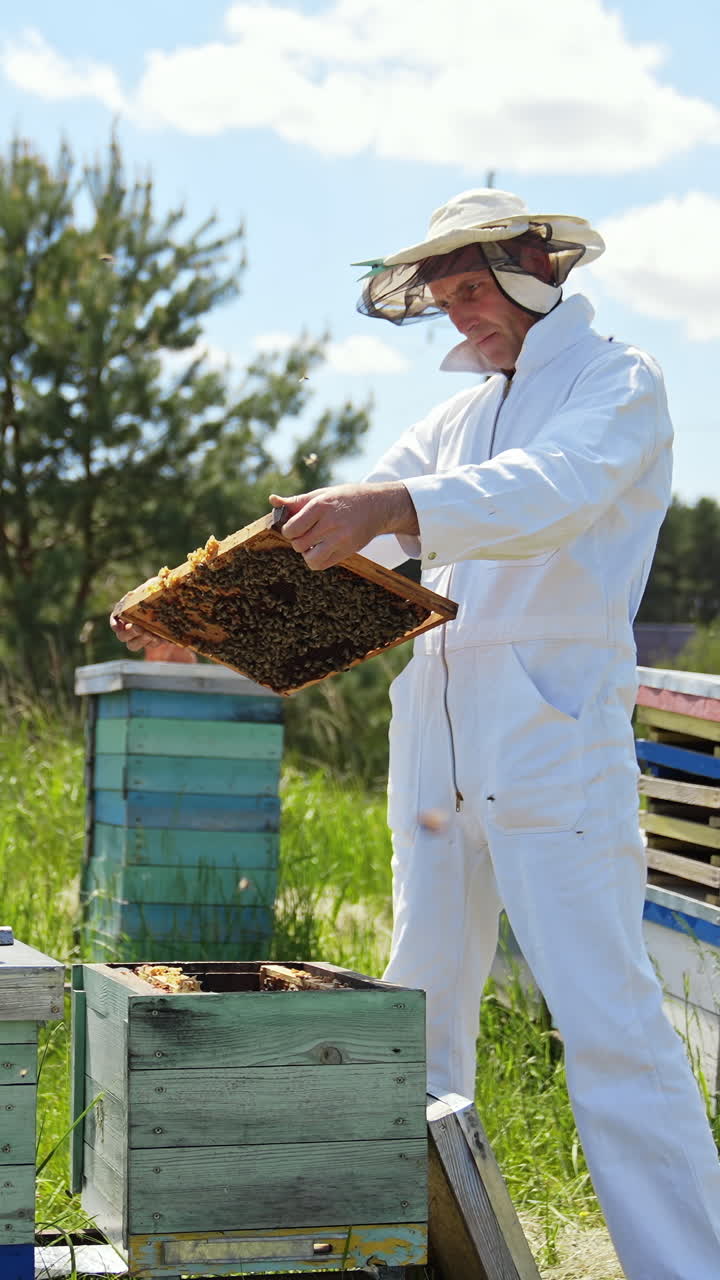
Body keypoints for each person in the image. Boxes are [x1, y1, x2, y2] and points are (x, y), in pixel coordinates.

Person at [112, 188, 720, 1279]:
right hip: (438, 741)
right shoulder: (455, 416)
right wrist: (198, 621)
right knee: (416, 1015)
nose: (458, 317)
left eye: (472, 291)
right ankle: (402, 1253)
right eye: (443, 301)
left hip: (553, 732)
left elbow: (551, 492)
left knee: (610, 1027)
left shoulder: (619, 379)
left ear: (536, 266)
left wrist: (386, 502)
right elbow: (359, 544)